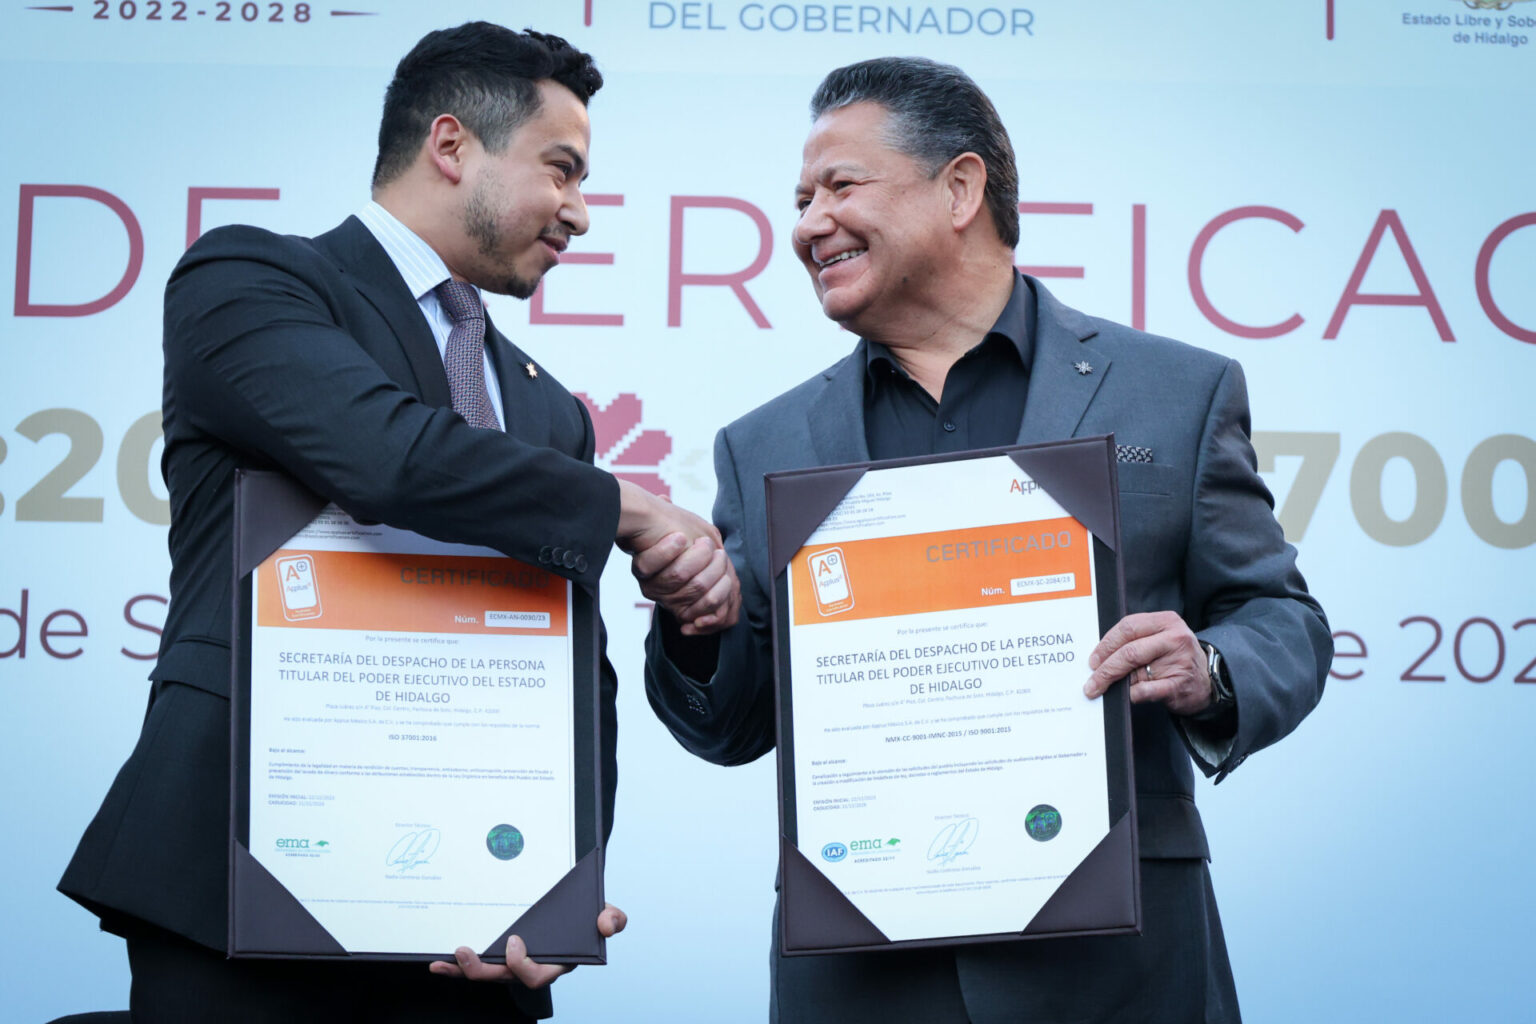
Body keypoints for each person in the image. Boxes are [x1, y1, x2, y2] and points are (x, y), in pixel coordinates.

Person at [58, 22, 737, 1024]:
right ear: (451, 145)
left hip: (473, 940)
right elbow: (383, 456)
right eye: (561, 170)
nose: (580, 212)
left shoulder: (550, 410)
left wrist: (557, 888)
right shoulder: (250, 279)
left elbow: (569, 667)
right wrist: (625, 506)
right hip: (234, 895)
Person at [641, 57, 1330, 1023]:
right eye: (800, 201)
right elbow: (732, 720)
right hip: (863, 979)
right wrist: (695, 624)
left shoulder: (1177, 393)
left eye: (840, 186)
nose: (807, 224)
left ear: (961, 188)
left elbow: (1281, 618)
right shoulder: (764, 445)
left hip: (1119, 970)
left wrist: (1209, 667)